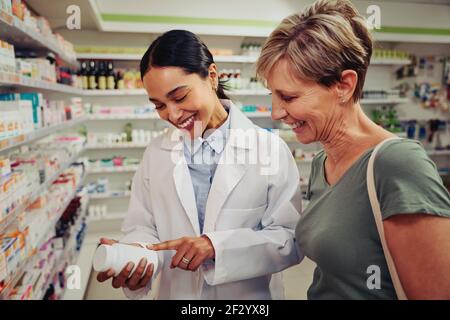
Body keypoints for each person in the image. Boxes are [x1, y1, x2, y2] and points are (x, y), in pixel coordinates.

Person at [256, 0, 450, 299]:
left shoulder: (396, 164)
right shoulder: (323, 163)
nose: (277, 112)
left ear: (344, 85)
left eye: (289, 97)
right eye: (273, 96)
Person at [97, 30, 303, 299]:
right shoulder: (157, 153)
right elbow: (144, 225)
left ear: (212, 77)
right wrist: (136, 258)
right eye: (159, 105)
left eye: (180, 97)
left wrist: (216, 247)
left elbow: (289, 239)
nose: (172, 114)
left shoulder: (269, 150)